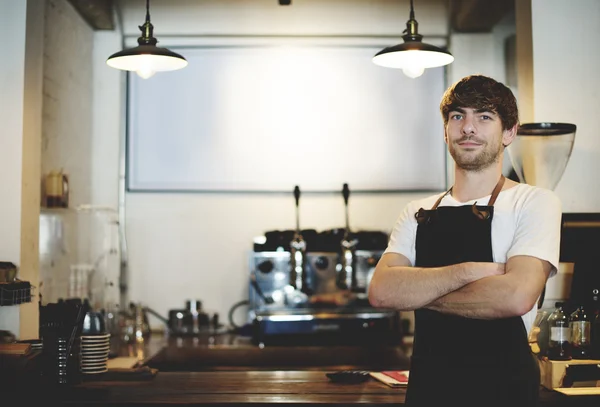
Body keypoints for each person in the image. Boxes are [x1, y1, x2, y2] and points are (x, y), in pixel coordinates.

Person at [368, 75, 562, 407]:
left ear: (509, 132)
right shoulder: (419, 211)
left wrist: (417, 293)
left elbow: (515, 298)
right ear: (445, 130)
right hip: (429, 390)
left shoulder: (534, 202)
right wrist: (470, 271)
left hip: (506, 391)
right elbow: (382, 291)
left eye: (484, 117)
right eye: (458, 116)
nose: (468, 128)